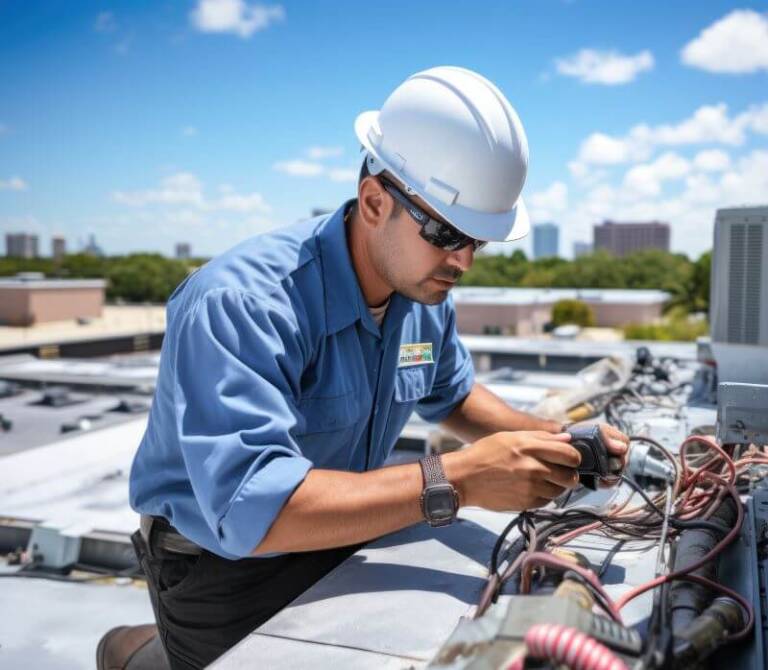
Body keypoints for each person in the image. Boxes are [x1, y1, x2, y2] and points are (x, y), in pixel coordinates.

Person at [97, 66, 629, 670]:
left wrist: (557, 446)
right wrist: (458, 479)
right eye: (447, 233)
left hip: (343, 532)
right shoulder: (243, 304)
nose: (463, 262)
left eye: (477, 242)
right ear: (376, 201)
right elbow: (254, 511)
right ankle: (135, 652)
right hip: (220, 568)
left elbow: (452, 396)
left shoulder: (421, 292)